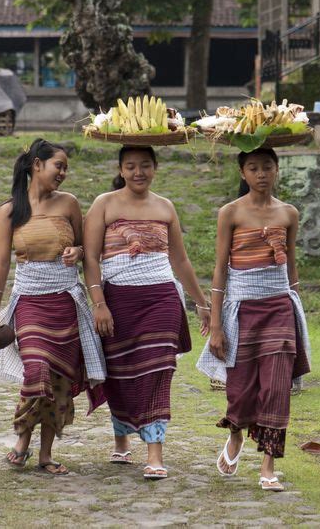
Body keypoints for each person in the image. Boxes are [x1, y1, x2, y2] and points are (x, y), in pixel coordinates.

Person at [0, 138, 106, 475]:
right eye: (59, 166)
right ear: (36, 165)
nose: (63, 173)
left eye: (66, 169)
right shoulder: (10, 211)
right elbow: (1, 263)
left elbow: (86, 252)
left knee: (59, 381)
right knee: (37, 370)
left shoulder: (69, 204)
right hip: (29, 302)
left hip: (66, 302)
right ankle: (21, 440)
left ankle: (45, 454)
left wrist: (78, 252)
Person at [83, 145, 210, 480]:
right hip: (117, 301)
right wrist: (99, 303)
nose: (138, 172)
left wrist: (201, 302)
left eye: (144, 166)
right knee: (122, 372)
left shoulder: (165, 207)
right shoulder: (104, 204)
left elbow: (180, 261)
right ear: (121, 169)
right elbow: (91, 258)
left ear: (155, 168)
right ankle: (121, 438)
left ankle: (155, 453)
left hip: (162, 300)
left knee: (158, 369)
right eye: (130, 166)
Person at [197, 147, 310, 491]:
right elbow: (220, 270)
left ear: (277, 171)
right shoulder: (230, 213)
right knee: (241, 392)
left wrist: (296, 310)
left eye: (267, 167)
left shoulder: (289, 213)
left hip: (279, 308)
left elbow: (290, 268)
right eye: (253, 168)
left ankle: (268, 465)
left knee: (277, 389)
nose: (261, 174)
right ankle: (236, 434)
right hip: (242, 310)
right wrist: (215, 325)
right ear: (242, 173)